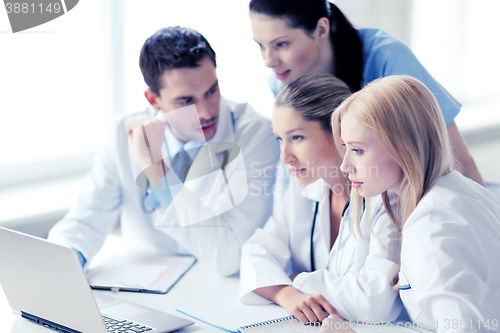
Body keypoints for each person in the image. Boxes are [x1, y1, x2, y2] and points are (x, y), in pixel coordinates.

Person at [48, 26, 280, 277]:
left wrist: (157, 171)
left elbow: (230, 257)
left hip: (219, 288)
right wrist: (61, 267)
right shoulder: (122, 134)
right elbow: (84, 222)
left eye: (212, 91)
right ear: (153, 100)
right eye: (186, 101)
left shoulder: (258, 135)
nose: (207, 112)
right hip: (143, 286)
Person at [321, 75, 500, 333]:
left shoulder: (432, 224)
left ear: (401, 147)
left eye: (357, 150)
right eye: (345, 148)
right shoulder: (457, 190)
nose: (345, 165)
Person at [248, 0, 485, 187]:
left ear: (321, 29)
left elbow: (456, 159)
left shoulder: (388, 59)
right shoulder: (281, 82)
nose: (268, 61)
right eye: (260, 45)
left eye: (281, 44)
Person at [240, 73, 402, 324]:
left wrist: (300, 279)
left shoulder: (387, 196)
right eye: (280, 139)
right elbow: (257, 250)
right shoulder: (302, 187)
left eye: (297, 138)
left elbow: (375, 301)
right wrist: (287, 293)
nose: (285, 157)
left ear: (339, 132)